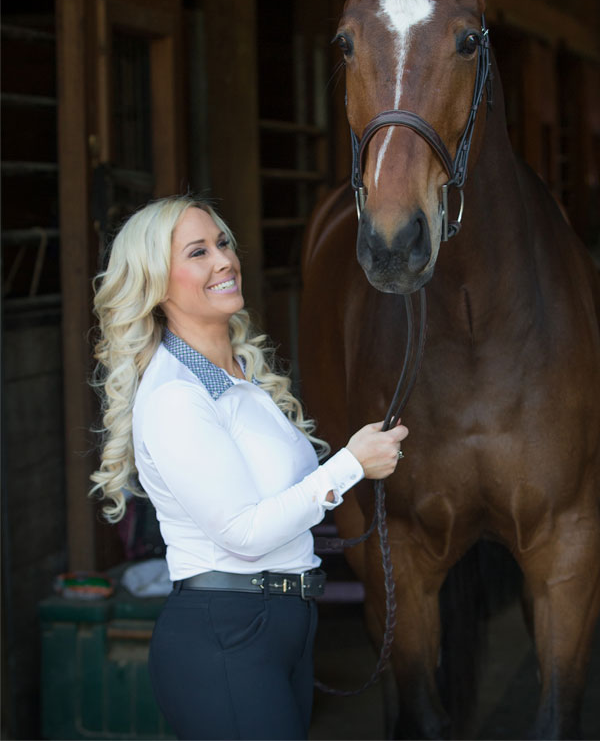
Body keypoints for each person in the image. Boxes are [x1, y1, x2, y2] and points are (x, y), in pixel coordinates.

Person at [88, 196, 407, 739]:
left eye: (222, 243)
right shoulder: (175, 396)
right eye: (198, 252)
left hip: (281, 623)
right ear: (157, 285)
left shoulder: (238, 375)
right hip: (227, 632)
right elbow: (242, 530)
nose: (223, 260)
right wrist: (350, 465)